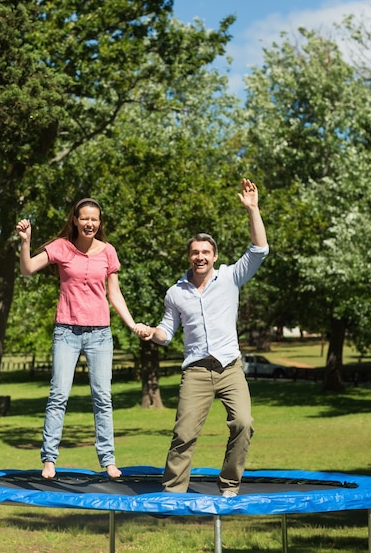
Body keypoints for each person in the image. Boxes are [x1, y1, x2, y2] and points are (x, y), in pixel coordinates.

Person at [141, 178, 269, 496]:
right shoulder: (176, 293)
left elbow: (260, 249)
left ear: (214, 256)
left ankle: (229, 485)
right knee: (183, 434)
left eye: (205, 252)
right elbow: (166, 333)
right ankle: (172, 493)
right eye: (195, 252)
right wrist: (150, 332)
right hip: (196, 371)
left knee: (243, 423)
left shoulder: (230, 278)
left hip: (229, 368)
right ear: (189, 257)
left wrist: (253, 209)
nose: (200, 257)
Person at [16, 198, 148, 479]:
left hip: (100, 334)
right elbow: (27, 269)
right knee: (58, 395)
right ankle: (49, 459)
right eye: (84, 218)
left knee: (102, 398)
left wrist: (132, 323)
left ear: (100, 223)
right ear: (75, 220)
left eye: (95, 219)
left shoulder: (108, 252)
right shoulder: (61, 247)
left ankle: (108, 460)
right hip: (67, 331)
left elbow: (114, 294)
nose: (90, 223)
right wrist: (26, 241)